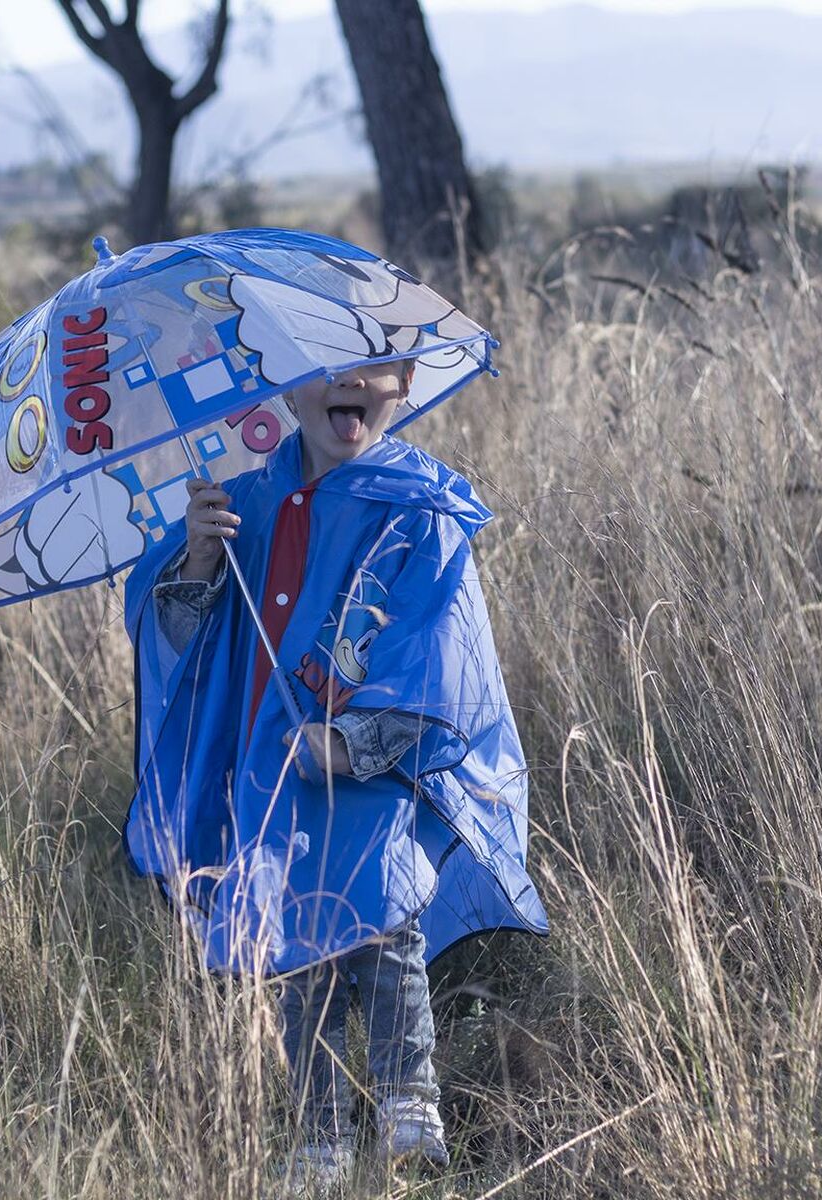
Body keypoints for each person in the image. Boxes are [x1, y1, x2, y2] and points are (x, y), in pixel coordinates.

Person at [122, 358, 548, 1190]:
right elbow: (175, 629)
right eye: (325, 370)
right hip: (268, 772)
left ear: (405, 385)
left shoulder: (416, 507)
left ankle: (409, 1109)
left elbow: (440, 640)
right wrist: (201, 557)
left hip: (368, 768)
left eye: (373, 368)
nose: (349, 384)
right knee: (293, 951)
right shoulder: (241, 505)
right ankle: (317, 1135)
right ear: (288, 388)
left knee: (385, 925)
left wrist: (355, 740)